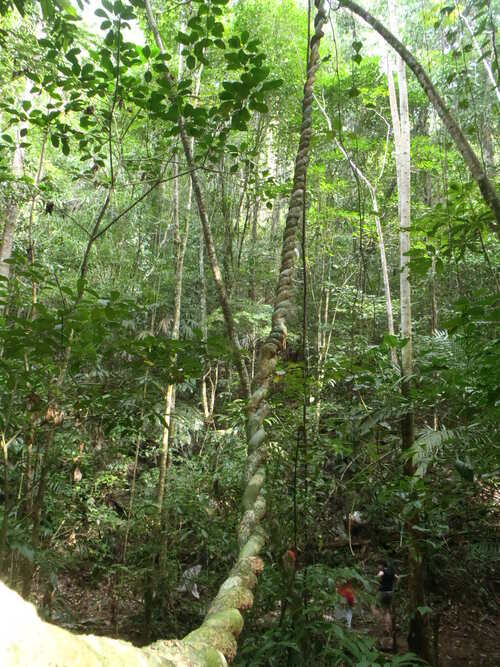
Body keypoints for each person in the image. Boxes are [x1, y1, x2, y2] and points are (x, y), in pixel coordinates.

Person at [376, 560, 398, 635]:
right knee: (388, 610)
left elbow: (378, 577)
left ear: (382, 565)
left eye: (379, 565)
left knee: (383, 610)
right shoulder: (392, 571)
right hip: (390, 592)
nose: (378, 567)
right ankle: (390, 627)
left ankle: (385, 628)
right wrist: (393, 585)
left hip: (382, 592)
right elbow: (397, 578)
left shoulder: (382, 572)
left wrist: (379, 580)